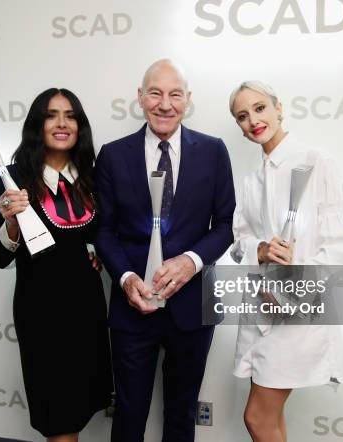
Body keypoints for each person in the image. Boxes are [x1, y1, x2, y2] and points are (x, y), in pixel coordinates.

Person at [95, 59, 235, 442]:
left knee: (182, 415)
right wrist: (125, 278)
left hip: (193, 307)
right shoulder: (112, 154)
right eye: (155, 93)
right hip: (132, 309)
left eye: (175, 94)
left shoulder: (213, 151)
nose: (165, 103)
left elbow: (226, 226)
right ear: (140, 98)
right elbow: (103, 230)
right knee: (128, 415)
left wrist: (191, 262)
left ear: (188, 100)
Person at [229, 80, 343, 442]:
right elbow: (239, 242)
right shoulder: (252, 179)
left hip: (299, 311)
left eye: (260, 108)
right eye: (242, 116)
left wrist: (294, 287)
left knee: (257, 417)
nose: (253, 120)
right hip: (260, 310)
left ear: (278, 108)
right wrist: (261, 250)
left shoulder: (315, 162)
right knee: (271, 418)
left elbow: (338, 246)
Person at [0, 88, 113, 442]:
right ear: (37, 125)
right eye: (51, 115)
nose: (61, 123)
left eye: (70, 115)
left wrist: (94, 251)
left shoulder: (91, 178)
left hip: (87, 311)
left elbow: (99, 234)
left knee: (81, 409)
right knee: (58, 420)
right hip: (41, 314)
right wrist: (11, 223)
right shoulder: (9, 179)